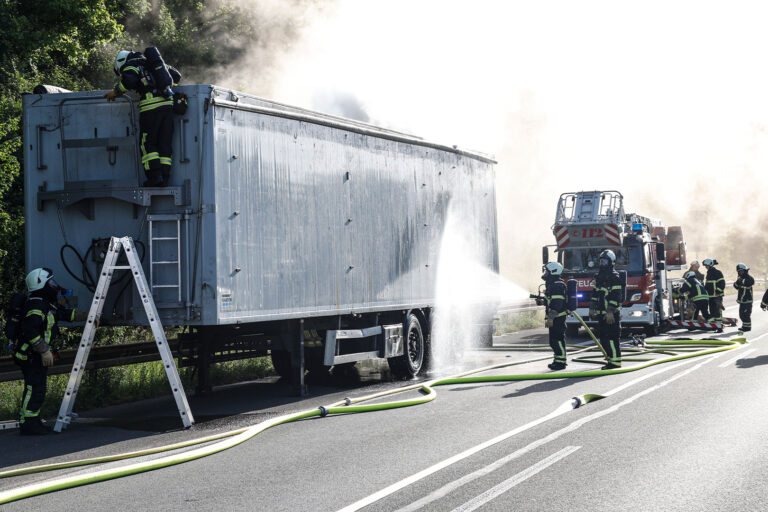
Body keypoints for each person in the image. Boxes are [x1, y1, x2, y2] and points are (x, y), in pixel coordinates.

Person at [13, 268, 88, 435]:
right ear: (41, 283)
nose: (54, 285)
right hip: (31, 355)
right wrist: (44, 350)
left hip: (36, 355)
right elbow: (29, 329)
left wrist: (89, 316)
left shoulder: (47, 303)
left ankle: (33, 419)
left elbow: (65, 314)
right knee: (34, 388)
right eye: (51, 282)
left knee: (37, 387)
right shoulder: (37, 304)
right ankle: (28, 423)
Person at [103, 49, 181, 187]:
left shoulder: (131, 65)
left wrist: (116, 92)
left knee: (147, 144)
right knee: (164, 145)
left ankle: (154, 177)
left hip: (150, 109)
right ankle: (164, 178)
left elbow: (129, 81)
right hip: (168, 107)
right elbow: (176, 76)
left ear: (121, 62)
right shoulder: (156, 63)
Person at [589, 249, 623, 369]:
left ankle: (615, 361)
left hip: (611, 315)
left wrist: (610, 312)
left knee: (612, 338)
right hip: (601, 314)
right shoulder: (599, 277)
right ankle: (610, 359)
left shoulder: (615, 277)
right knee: (604, 338)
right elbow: (595, 295)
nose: (602, 264)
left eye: (605, 261)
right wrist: (592, 308)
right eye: (601, 261)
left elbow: (616, 296)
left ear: (611, 262)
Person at [541, 262, 568, 371]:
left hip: (557, 318)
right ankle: (557, 360)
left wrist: (551, 317)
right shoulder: (553, 284)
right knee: (554, 341)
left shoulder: (557, 285)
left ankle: (561, 362)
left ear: (552, 271)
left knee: (557, 340)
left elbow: (557, 304)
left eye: (547, 271)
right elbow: (551, 301)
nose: (545, 273)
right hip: (555, 317)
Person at [702, 258, 725, 326]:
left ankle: (719, 325)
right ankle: (714, 325)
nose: (706, 267)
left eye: (706, 265)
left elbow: (722, 283)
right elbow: (708, 284)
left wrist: (718, 291)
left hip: (717, 296)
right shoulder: (709, 273)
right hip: (710, 296)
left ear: (710, 265)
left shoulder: (718, 272)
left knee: (717, 311)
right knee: (712, 310)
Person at [733, 263, 754, 332]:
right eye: (739, 271)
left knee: (746, 315)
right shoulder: (740, 278)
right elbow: (735, 286)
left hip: (747, 301)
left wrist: (741, 280)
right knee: (741, 314)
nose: (740, 272)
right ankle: (744, 326)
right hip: (742, 301)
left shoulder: (749, 278)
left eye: (741, 271)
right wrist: (738, 281)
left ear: (745, 270)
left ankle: (747, 327)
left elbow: (750, 282)